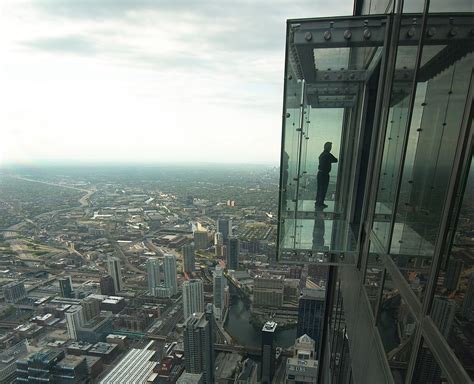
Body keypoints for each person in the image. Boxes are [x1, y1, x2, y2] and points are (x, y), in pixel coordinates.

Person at [315, 142, 338, 209]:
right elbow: (335, 160)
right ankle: (320, 203)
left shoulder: (322, 154)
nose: (330, 148)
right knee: (323, 189)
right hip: (324, 174)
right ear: (328, 147)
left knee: (320, 189)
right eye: (330, 147)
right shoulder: (327, 155)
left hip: (320, 174)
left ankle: (318, 202)